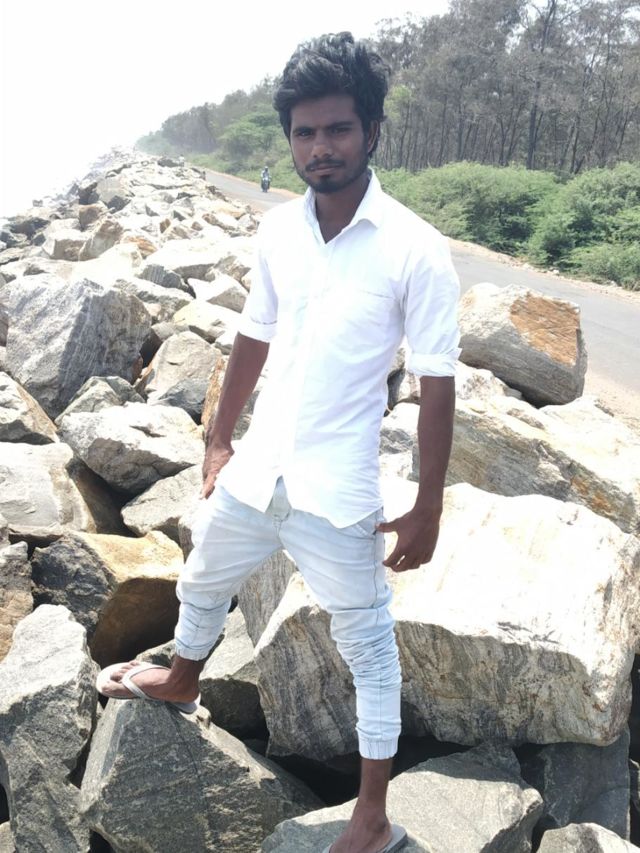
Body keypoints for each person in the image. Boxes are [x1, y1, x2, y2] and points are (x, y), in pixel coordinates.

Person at [97, 31, 460, 853]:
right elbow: (253, 335)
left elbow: (438, 382)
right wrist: (218, 439)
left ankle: (372, 814)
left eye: (337, 129)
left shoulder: (415, 248)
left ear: (372, 131)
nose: (320, 147)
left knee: (367, 645)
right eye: (305, 133)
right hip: (259, 470)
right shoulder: (279, 232)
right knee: (202, 574)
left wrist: (427, 505)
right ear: (289, 139)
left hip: (338, 491)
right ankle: (182, 678)